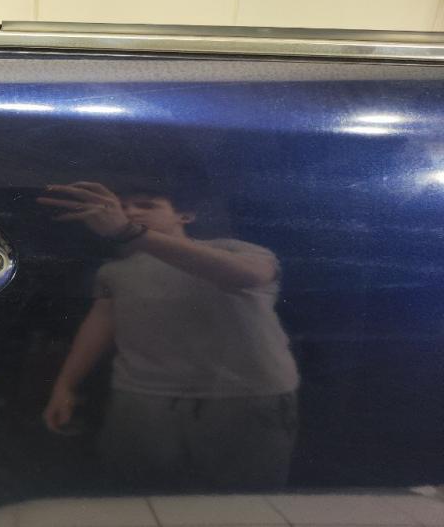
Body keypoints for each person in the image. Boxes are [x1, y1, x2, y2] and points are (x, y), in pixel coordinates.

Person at [37, 181, 299, 492]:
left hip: (246, 397)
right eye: (123, 207)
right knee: (137, 498)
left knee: (243, 502)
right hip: (141, 398)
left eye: (146, 205)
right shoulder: (114, 271)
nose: (130, 212)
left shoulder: (234, 249)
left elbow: (249, 275)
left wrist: (129, 232)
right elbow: (100, 325)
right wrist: (65, 385)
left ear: (184, 215)